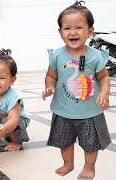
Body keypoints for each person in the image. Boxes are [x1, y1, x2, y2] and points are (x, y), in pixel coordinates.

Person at [42, 1, 111, 179]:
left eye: (79, 27)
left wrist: (104, 93)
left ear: (90, 31)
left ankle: (89, 166)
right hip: (63, 110)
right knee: (64, 141)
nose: (73, 32)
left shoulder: (95, 56)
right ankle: (68, 163)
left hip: (90, 111)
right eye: (67, 28)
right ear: (60, 32)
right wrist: (49, 86)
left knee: (91, 143)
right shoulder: (56, 55)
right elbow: (51, 75)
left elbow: (103, 77)